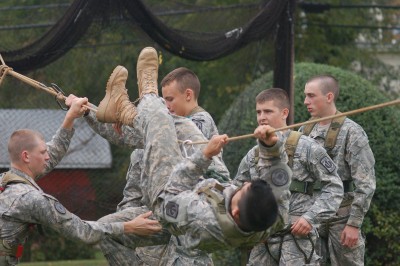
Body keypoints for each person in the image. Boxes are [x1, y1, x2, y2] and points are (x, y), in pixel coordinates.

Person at [86, 47, 292, 254]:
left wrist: (204, 156)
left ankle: (146, 92)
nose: (244, 184)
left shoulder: (204, 220)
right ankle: (125, 111)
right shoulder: (275, 216)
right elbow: (279, 181)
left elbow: (174, 189)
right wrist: (270, 148)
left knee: (160, 120)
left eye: (242, 191)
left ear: (235, 213)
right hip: (212, 181)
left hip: (167, 196)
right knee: (178, 124)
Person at [68, 50, 228, 265]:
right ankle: (133, 105)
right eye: (163, 100)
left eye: (169, 99)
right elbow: (128, 137)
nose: (166, 106)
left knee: (155, 124)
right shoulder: (161, 128)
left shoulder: (199, 122)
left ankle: (143, 97)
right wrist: (88, 111)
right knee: (107, 231)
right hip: (155, 219)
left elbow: (160, 134)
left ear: (188, 95)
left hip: (184, 228)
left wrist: (133, 119)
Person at [0, 98, 162, 266]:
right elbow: (82, 231)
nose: (47, 156)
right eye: (42, 152)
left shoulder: (5, 183)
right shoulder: (31, 199)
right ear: (26, 156)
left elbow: (52, 153)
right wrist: (129, 226)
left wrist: (70, 117)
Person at [233, 88, 344, 265]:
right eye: (258, 112)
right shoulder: (253, 155)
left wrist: (311, 218)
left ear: (285, 112)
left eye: (268, 111)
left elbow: (334, 187)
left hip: (297, 239)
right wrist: (248, 228)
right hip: (263, 241)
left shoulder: (306, 147)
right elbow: (236, 192)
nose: (262, 117)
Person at [300, 75, 376, 265]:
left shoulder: (352, 132)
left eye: (311, 95)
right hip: (311, 218)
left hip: (342, 219)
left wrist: (354, 224)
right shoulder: (304, 131)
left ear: (329, 97)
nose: (305, 101)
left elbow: (366, 183)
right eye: (305, 96)